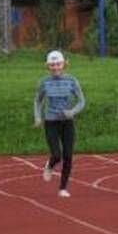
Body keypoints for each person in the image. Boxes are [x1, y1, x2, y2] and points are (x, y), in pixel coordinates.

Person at [33, 49, 85, 197]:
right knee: (57, 154)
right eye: (52, 65)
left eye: (58, 64)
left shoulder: (72, 81)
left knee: (68, 155)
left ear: (64, 64)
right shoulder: (44, 82)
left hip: (67, 123)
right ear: (47, 66)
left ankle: (63, 188)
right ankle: (50, 164)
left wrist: (72, 112)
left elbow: (82, 101)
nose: (55, 67)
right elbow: (38, 101)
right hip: (51, 122)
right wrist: (38, 117)